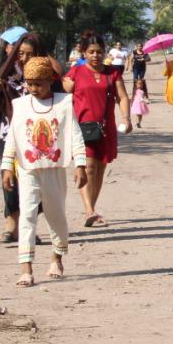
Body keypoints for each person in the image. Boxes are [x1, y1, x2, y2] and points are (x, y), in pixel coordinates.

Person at [0, 31, 63, 244]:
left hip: (38, 133)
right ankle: (11, 225)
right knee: (9, 175)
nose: (24, 58)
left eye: (30, 54)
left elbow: (59, 93)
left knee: (34, 179)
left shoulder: (47, 72)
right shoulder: (3, 70)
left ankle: (28, 227)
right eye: (20, 53)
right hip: (8, 131)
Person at [1, 57, 87, 287]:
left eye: (38, 83)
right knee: (27, 216)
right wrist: (7, 167)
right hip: (27, 170)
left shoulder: (63, 103)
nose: (33, 88)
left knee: (55, 215)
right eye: (29, 83)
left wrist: (80, 165)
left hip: (54, 169)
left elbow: (75, 135)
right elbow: (13, 138)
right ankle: (26, 269)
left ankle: (56, 259)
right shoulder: (20, 105)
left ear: (50, 80)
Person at [63, 31, 132, 227]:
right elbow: (62, 92)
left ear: (104, 53)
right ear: (84, 53)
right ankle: (89, 210)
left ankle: (91, 209)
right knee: (87, 167)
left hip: (105, 128)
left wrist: (126, 118)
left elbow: (123, 97)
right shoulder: (76, 72)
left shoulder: (113, 73)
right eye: (91, 52)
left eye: (99, 52)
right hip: (82, 128)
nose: (95, 55)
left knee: (100, 169)